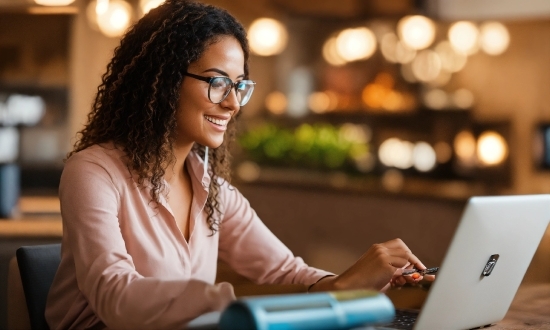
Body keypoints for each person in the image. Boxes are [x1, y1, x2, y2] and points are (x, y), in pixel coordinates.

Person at [45, 1, 432, 329]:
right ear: (160, 81)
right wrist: (232, 303)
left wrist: (351, 283)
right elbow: (115, 295)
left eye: (240, 86)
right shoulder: (93, 172)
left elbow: (284, 272)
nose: (232, 103)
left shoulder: (210, 188)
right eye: (217, 82)